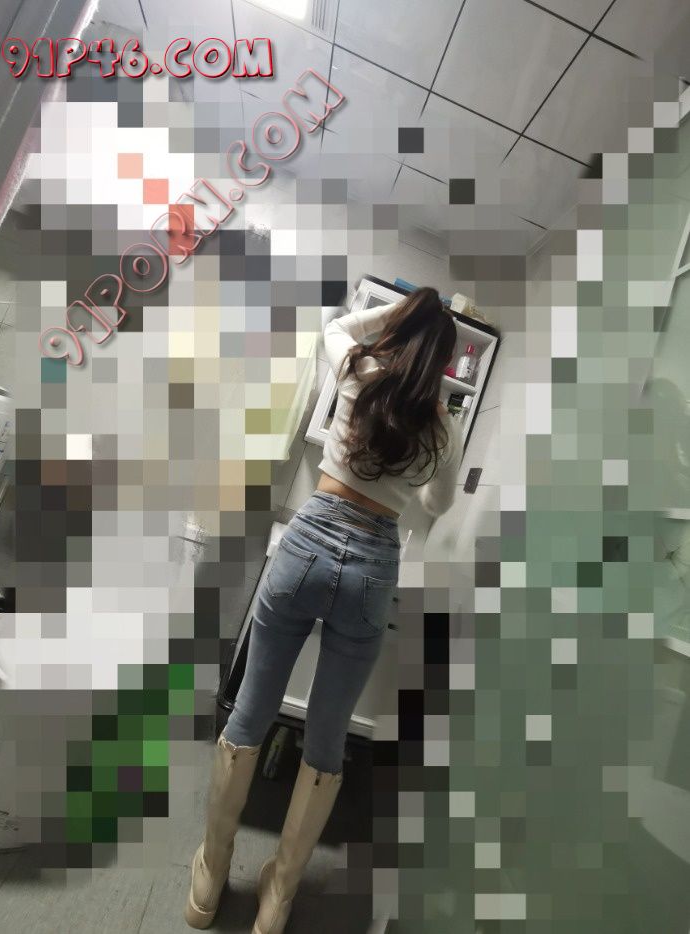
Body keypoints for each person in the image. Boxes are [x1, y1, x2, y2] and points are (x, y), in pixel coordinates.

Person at [185, 287, 464, 931]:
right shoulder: (441, 428)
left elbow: (333, 328)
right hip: (373, 564)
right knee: (328, 735)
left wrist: (394, 313)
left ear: (400, 332)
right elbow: (437, 506)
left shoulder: (360, 372)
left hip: (308, 542)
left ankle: (210, 876)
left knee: (251, 710)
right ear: (446, 363)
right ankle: (278, 899)